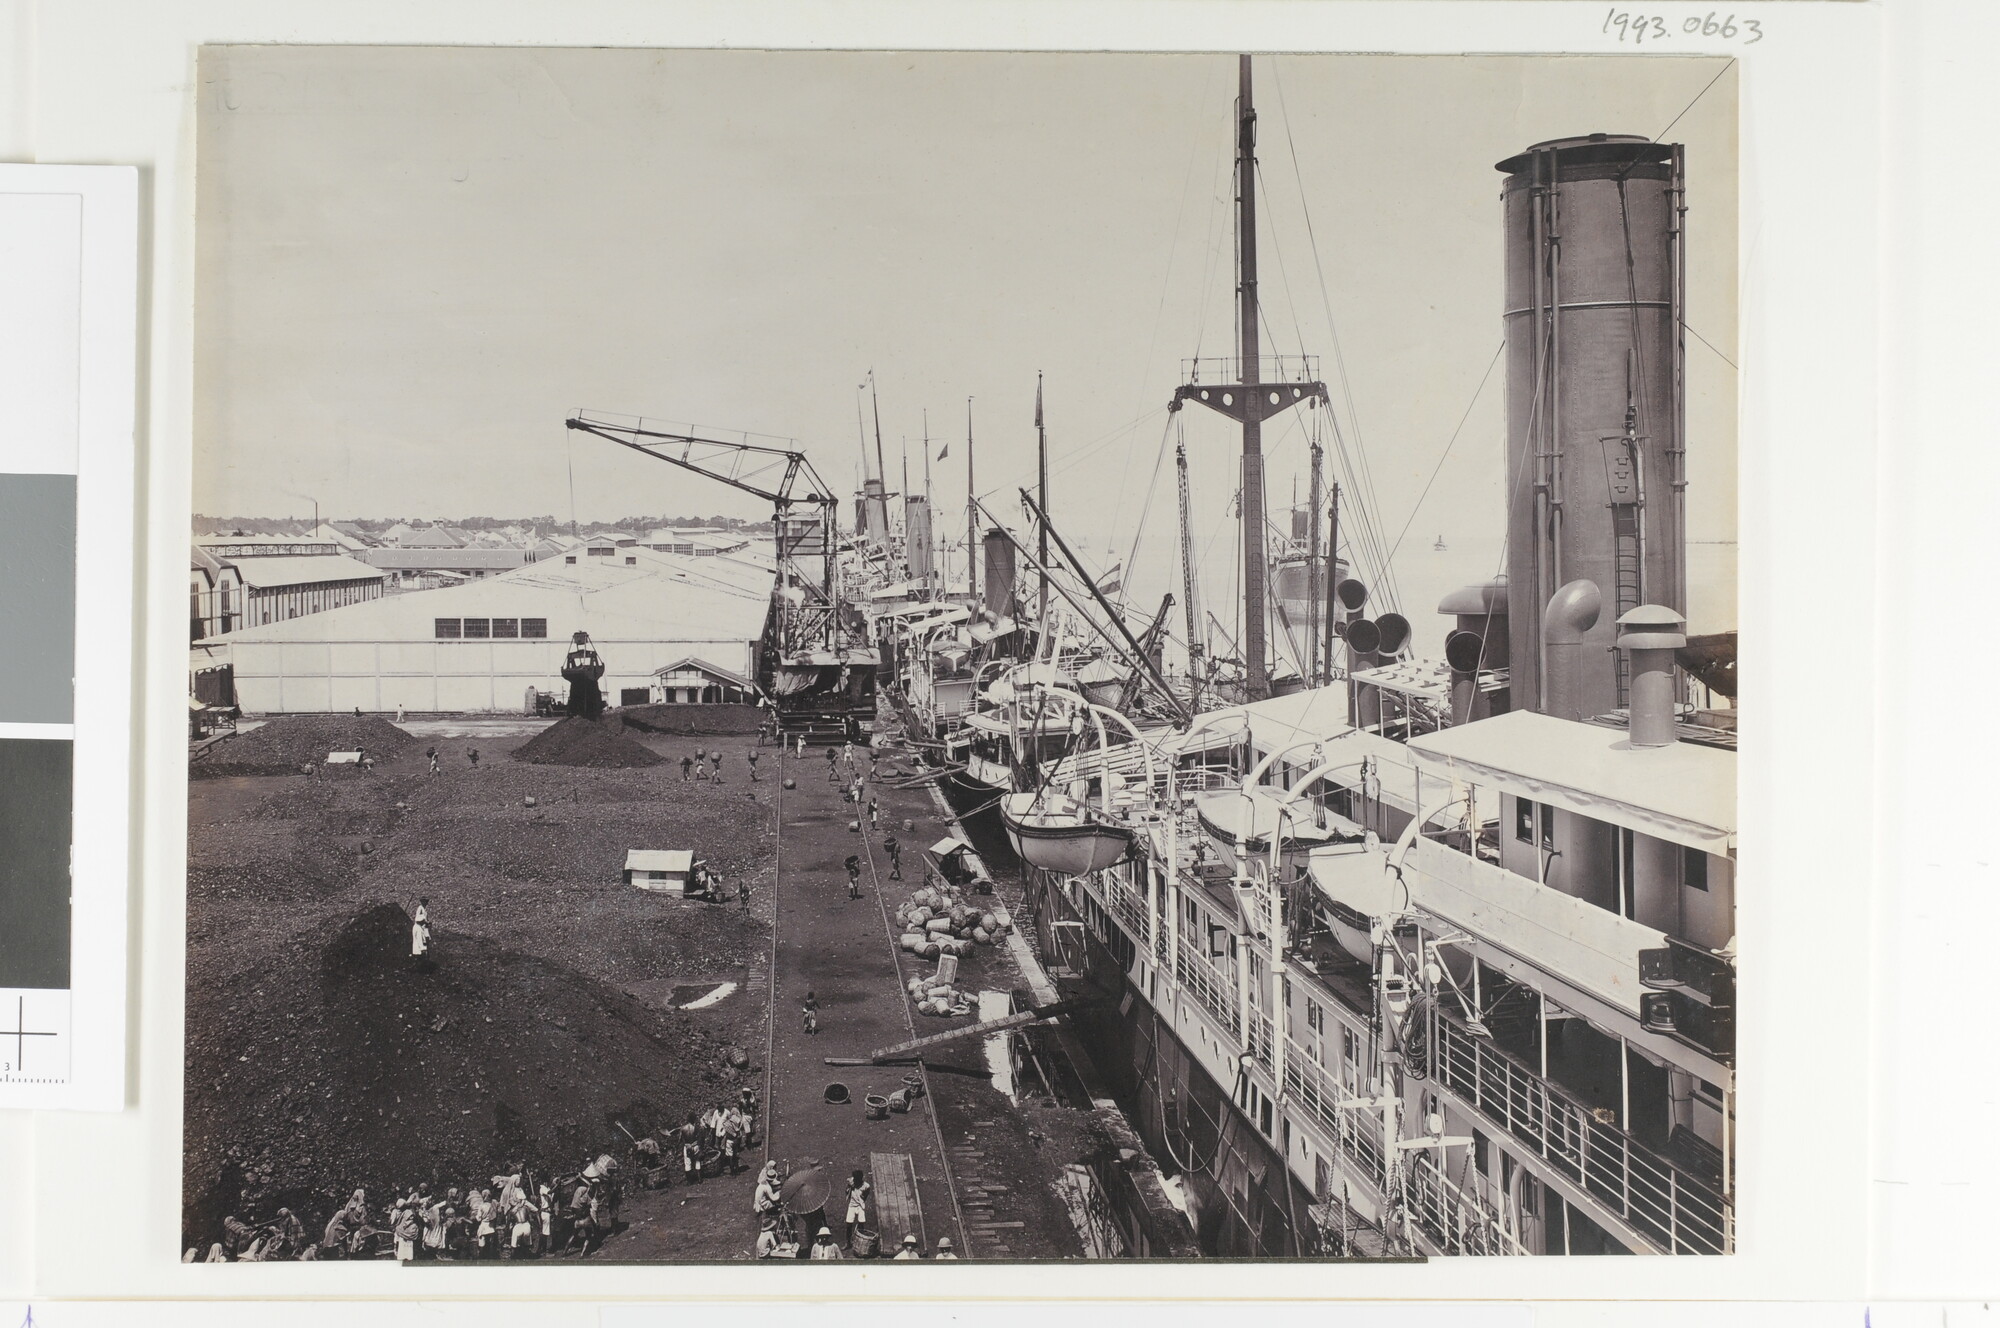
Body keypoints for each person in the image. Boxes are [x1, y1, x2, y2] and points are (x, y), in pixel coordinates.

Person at [843, 1170, 871, 1247]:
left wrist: (861, 1199)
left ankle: (860, 1242)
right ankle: (848, 1243)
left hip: (860, 1206)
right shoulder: (851, 1182)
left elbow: (865, 1195)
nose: (855, 1180)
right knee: (849, 1224)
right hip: (851, 1206)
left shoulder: (866, 1186)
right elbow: (846, 1191)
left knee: (861, 1224)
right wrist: (849, 1187)